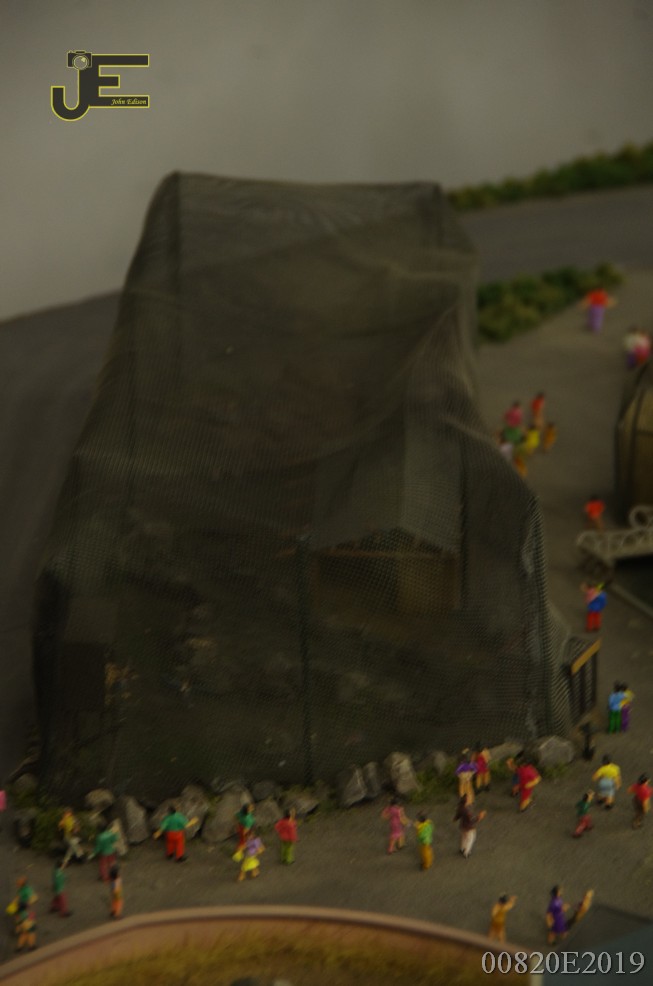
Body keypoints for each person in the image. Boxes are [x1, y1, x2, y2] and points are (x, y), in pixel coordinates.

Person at [453, 794, 486, 858]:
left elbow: (458, 815)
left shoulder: (461, 807)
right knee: (470, 839)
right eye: (470, 798)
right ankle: (466, 852)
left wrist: (455, 819)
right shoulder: (467, 811)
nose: (471, 799)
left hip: (463, 826)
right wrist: (480, 816)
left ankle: (462, 848)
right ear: (466, 801)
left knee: (464, 837)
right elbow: (472, 819)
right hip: (469, 827)